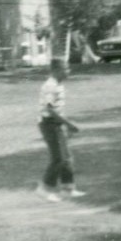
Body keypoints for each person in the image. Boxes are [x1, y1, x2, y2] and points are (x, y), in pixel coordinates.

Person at [36, 58, 84, 202]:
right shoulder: (51, 86)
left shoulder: (59, 84)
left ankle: (68, 189)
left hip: (56, 123)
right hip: (49, 124)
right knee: (58, 159)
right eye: (66, 69)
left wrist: (64, 125)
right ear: (56, 70)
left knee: (67, 157)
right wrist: (68, 124)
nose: (68, 71)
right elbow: (50, 110)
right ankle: (44, 189)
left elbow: (58, 109)